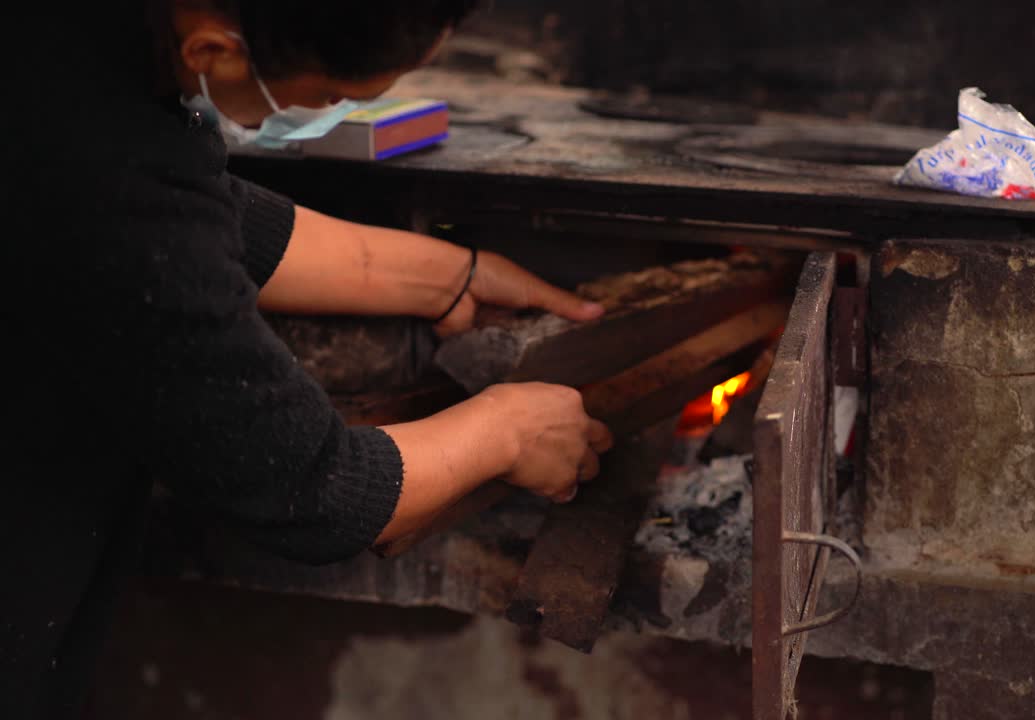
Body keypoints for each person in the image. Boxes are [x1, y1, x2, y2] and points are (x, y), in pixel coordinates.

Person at [1, 2, 613, 717]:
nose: (339, 109)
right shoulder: (99, 170)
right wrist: (507, 431)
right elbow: (314, 490)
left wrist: (446, 274)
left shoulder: (71, 41)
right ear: (217, 51)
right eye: (333, 97)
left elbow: (197, 211)